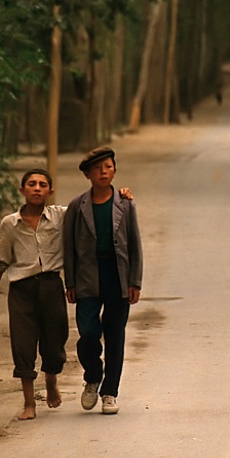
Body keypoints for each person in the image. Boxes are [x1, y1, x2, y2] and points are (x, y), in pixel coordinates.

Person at [64, 147, 143, 415]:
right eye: (97, 169)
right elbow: (68, 247)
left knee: (115, 334)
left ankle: (110, 392)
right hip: (87, 275)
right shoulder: (77, 206)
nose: (103, 172)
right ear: (87, 174)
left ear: (115, 171)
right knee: (87, 331)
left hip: (118, 275)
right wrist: (70, 282)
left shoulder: (125, 203)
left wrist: (135, 282)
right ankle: (93, 376)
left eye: (108, 167)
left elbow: (134, 245)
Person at [0, 169, 68, 421]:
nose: (37, 188)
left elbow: (89, 207)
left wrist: (121, 195)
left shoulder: (61, 217)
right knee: (22, 345)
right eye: (31, 184)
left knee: (54, 342)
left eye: (43, 184)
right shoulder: (10, 223)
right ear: (22, 190)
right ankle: (29, 402)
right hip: (21, 290)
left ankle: (51, 380)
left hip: (52, 287)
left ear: (50, 191)